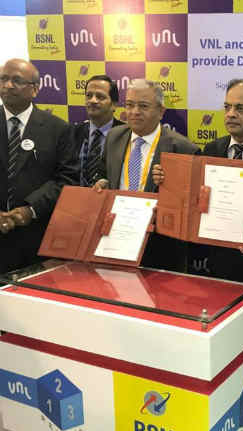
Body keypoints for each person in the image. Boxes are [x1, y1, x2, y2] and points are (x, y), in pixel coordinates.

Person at [152, 78, 243, 415]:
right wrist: (167, 182)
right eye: (227, 107)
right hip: (217, 267)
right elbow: (194, 201)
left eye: (240, 108)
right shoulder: (212, 149)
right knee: (224, 343)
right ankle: (225, 405)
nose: (231, 114)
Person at [94, 79, 197, 271]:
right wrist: (102, 182)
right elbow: (104, 172)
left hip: (160, 250)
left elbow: (192, 206)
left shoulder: (183, 148)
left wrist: (170, 187)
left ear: (161, 111)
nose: (134, 112)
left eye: (143, 106)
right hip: (116, 240)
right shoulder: (114, 137)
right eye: (129, 105)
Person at [0, 58, 78, 274]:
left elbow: (67, 179)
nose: (7, 85)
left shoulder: (58, 129)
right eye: (3, 79)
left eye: (16, 80)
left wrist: (30, 209)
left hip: (36, 239)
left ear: (35, 89)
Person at [71, 75, 124, 187]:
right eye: (89, 96)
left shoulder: (126, 135)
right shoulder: (72, 132)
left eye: (100, 97)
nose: (92, 101)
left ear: (114, 105)